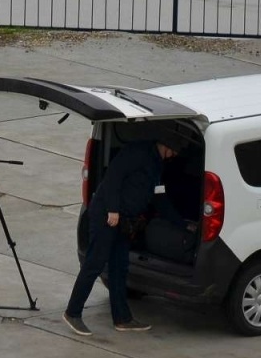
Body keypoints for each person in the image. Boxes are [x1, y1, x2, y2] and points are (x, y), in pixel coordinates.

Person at [63, 131, 192, 335]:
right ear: (166, 144)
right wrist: (113, 209)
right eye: (174, 150)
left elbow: (159, 198)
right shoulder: (137, 152)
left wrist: (181, 224)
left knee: (119, 268)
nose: (174, 155)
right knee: (94, 263)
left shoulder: (158, 163)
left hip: (125, 222)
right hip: (107, 215)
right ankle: (73, 312)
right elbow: (114, 175)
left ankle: (122, 318)